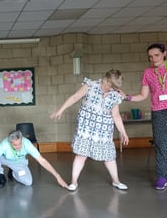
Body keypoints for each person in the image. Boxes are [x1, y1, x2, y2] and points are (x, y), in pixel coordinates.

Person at [50, 69, 129, 191]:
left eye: (113, 87)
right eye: (109, 84)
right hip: (86, 128)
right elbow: (75, 97)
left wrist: (123, 132)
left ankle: (116, 181)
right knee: (81, 155)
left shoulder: (115, 94)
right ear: (105, 78)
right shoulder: (90, 85)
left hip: (104, 130)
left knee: (109, 157)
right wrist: (60, 110)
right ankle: (74, 182)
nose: (110, 88)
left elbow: (116, 115)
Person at [120, 43, 167, 190]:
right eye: (150, 57)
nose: (153, 59)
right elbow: (143, 95)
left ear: (164, 53)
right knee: (161, 145)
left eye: (156, 55)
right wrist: (127, 97)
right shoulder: (148, 73)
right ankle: (162, 177)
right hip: (158, 112)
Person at [0, 130, 68, 189]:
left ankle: (13, 172)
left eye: (20, 143)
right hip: (4, 159)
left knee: (28, 182)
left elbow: (42, 160)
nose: (19, 146)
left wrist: (57, 176)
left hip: (18, 163)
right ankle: (0, 175)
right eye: (15, 145)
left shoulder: (27, 144)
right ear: (10, 142)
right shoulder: (4, 144)